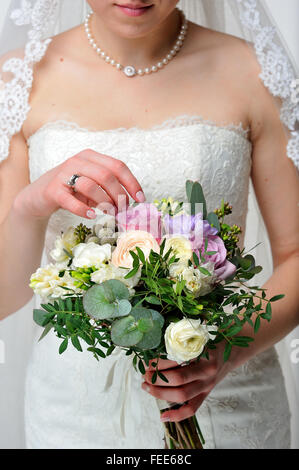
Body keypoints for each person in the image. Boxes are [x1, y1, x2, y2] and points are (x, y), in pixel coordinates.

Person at [0, 0, 298, 449]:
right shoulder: (18, 80)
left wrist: (224, 352)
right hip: (76, 413)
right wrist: (29, 205)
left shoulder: (254, 71)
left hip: (228, 395)